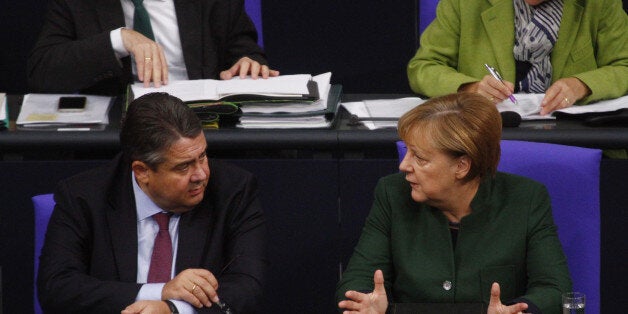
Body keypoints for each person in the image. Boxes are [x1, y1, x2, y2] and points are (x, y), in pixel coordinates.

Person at [336, 92, 572, 314]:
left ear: (461, 166)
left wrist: (522, 309)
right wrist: (367, 302)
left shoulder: (526, 200)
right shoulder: (392, 194)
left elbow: (554, 289)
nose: (404, 166)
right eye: (408, 152)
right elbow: (359, 277)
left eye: (419, 157)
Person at [37, 92, 267, 313]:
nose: (201, 175)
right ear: (142, 171)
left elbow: (247, 288)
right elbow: (57, 289)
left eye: (202, 157)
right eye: (183, 166)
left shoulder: (233, 191)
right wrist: (160, 292)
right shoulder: (84, 196)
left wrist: (173, 310)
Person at [407, 0, 628, 115]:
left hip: (574, 139)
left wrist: (582, 85)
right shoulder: (465, 3)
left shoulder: (600, 4)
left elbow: (624, 65)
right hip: (483, 138)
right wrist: (470, 88)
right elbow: (424, 67)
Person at [27, 0, 279, 96]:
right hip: (120, 137)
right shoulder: (77, 4)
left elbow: (244, 49)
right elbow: (42, 71)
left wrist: (248, 63)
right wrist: (118, 40)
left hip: (200, 125)